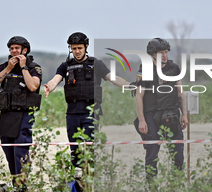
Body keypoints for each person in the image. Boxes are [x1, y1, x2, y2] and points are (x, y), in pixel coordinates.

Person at [44, 32, 128, 167]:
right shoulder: (65, 65)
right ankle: (77, 181)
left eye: (80, 48)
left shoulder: (96, 64)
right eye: (74, 48)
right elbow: (56, 79)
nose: (77, 51)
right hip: (72, 114)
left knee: (90, 150)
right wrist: (49, 87)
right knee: (75, 151)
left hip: (91, 112)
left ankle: (91, 180)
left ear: (86, 47)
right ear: (70, 49)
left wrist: (129, 86)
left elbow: (113, 78)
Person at [0, 36, 42, 191]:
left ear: (25, 50)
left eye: (17, 48)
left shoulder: (34, 68)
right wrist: (8, 69)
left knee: (20, 150)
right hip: (7, 114)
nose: (14, 51)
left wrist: (24, 67)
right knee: (9, 151)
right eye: (11, 48)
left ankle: (23, 186)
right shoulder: (5, 66)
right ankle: (16, 185)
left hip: (24, 114)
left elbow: (33, 86)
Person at [134, 38, 188, 178]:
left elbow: (180, 92)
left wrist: (184, 115)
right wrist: (141, 120)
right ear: (152, 54)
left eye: (166, 52)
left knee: (178, 153)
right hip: (151, 116)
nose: (164, 55)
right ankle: (152, 189)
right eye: (160, 53)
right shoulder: (145, 69)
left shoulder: (174, 68)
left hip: (172, 113)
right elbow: (139, 96)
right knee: (152, 153)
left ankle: (177, 188)